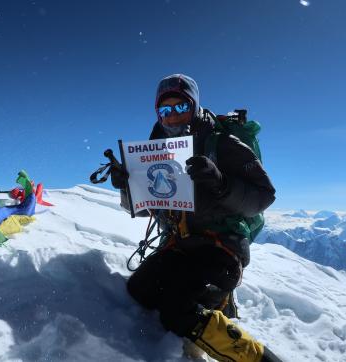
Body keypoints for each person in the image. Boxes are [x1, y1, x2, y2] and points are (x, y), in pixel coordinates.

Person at [111, 74, 281, 362]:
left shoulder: (221, 144)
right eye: (166, 110)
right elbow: (145, 209)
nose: (173, 117)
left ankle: (257, 358)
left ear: (194, 106)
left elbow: (263, 197)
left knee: (178, 308)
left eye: (181, 108)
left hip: (221, 247)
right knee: (139, 291)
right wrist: (127, 186)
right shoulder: (156, 149)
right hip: (179, 245)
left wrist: (221, 183)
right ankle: (208, 303)